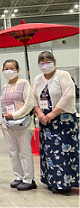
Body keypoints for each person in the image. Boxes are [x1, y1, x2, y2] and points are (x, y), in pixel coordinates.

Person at [33, 51, 79, 195]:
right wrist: (40, 113)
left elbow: (69, 95)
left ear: (54, 62)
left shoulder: (62, 75)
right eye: (42, 63)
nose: (45, 65)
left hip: (63, 120)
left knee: (64, 152)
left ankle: (64, 184)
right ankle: (52, 181)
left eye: (48, 62)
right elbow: (33, 97)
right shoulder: (37, 79)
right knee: (49, 152)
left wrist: (52, 114)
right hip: (45, 121)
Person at [1, 59, 37, 191]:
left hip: (23, 123)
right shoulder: (4, 87)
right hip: (8, 124)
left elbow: (29, 104)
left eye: (11, 68)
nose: (8, 71)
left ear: (18, 70)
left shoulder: (24, 83)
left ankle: (29, 179)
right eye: (6, 68)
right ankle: (18, 176)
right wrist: (6, 118)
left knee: (24, 151)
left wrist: (14, 116)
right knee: (12, 151)